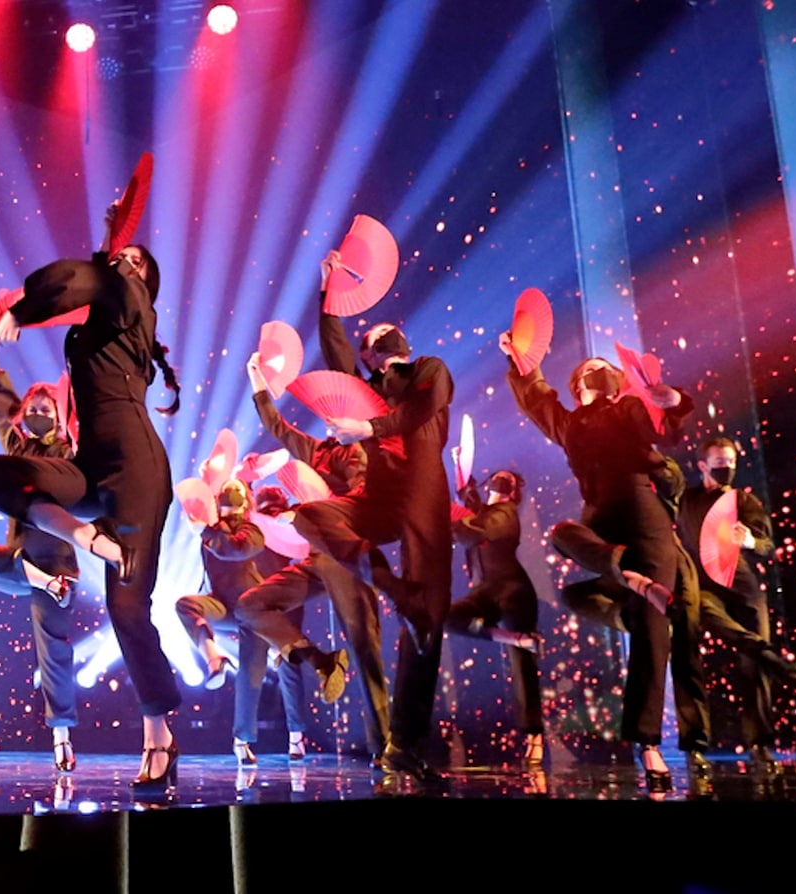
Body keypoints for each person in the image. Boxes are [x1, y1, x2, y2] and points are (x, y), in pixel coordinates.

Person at [0, 223, 183, 795]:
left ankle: (158, 734)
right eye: (123, 257)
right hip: (89, 470)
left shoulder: (133, 303)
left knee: (127, 610)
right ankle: (85, 537)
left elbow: (82, 277)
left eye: (136, 261)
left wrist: (27, 308)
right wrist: (108, 237)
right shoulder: (107, 307)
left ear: (145, 283)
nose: (125, 263)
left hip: (136, 473)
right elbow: (88, 276)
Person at [296, 251, 455, 785]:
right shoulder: (362, 388)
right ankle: (389, 583)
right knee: (311, 515)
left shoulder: (428, 370)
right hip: (379, 495)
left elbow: (419, 411)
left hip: (425, 496)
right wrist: (329, 292)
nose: (378, 337)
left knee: (427, 627)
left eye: (385, 334)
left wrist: (370, 429)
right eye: (370, 339)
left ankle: (404, 745)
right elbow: (335, 349)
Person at [503, 343, 691, 790]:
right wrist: (521, 356)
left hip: (642, 506)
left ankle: (647, 745)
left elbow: (660, 428)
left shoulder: (626, 406)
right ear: (578, 384)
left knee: (652, 629)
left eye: (606, 367)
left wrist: (673, 402)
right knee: (562, 535)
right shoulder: (568, 422)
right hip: (597, 515)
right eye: (591, 367)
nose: (599, 369)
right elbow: (536, 395)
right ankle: (631, 578)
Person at [239, 353, 391, 762]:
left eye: (339, 420)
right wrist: (257, 380)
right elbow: (276, 427)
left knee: (365, 648)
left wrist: (311, 513)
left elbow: (365, 500)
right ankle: (321, 661)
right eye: (328, 419)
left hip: (348, 556)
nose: (330, 423)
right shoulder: (319, 450)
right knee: (250, 606)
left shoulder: (358, 455)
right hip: (318, 556)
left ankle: (386, 746)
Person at [0, 343, 80, 771]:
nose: (37, 410)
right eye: (32, 404)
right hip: (22, 565)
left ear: (59, 413)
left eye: (45, 405)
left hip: (56, 565)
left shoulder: (69, 453)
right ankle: (38, 579)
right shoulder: (15, 448)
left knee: (53, 651)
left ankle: (62, 736)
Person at [177, 479, 343, 765]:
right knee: (186, 605)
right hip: (229, 607)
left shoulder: (253, 530)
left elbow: (240, 548)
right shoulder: (215, 530)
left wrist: (207, 529)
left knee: (261, 672)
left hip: (257, 608)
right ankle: (214, 659)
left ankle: (280, 736)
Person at [674, 435, 796, 774]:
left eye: (731, 464)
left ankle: (759, 746)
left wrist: (749, 539)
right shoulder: (685, 500)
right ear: (702, 466)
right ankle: (694, 747)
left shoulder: (742, 500)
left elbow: (765, 544)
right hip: (702, 589)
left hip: (744, 590)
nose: (727, 469)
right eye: (720, 464)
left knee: (754, 666)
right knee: (688, 660)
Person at [445, 469, 544, 766]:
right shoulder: (486, 510)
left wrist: (450, 518)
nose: (501, 480)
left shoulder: (505, 513)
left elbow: (474, 530)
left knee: (522, 667)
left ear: (513, 492)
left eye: (507, 480)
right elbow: (471, 505)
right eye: (498, 477)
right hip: (486, 593)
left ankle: (534, 736)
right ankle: (516, 639)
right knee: (448, 618)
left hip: (513, 592)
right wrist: (462, 470)